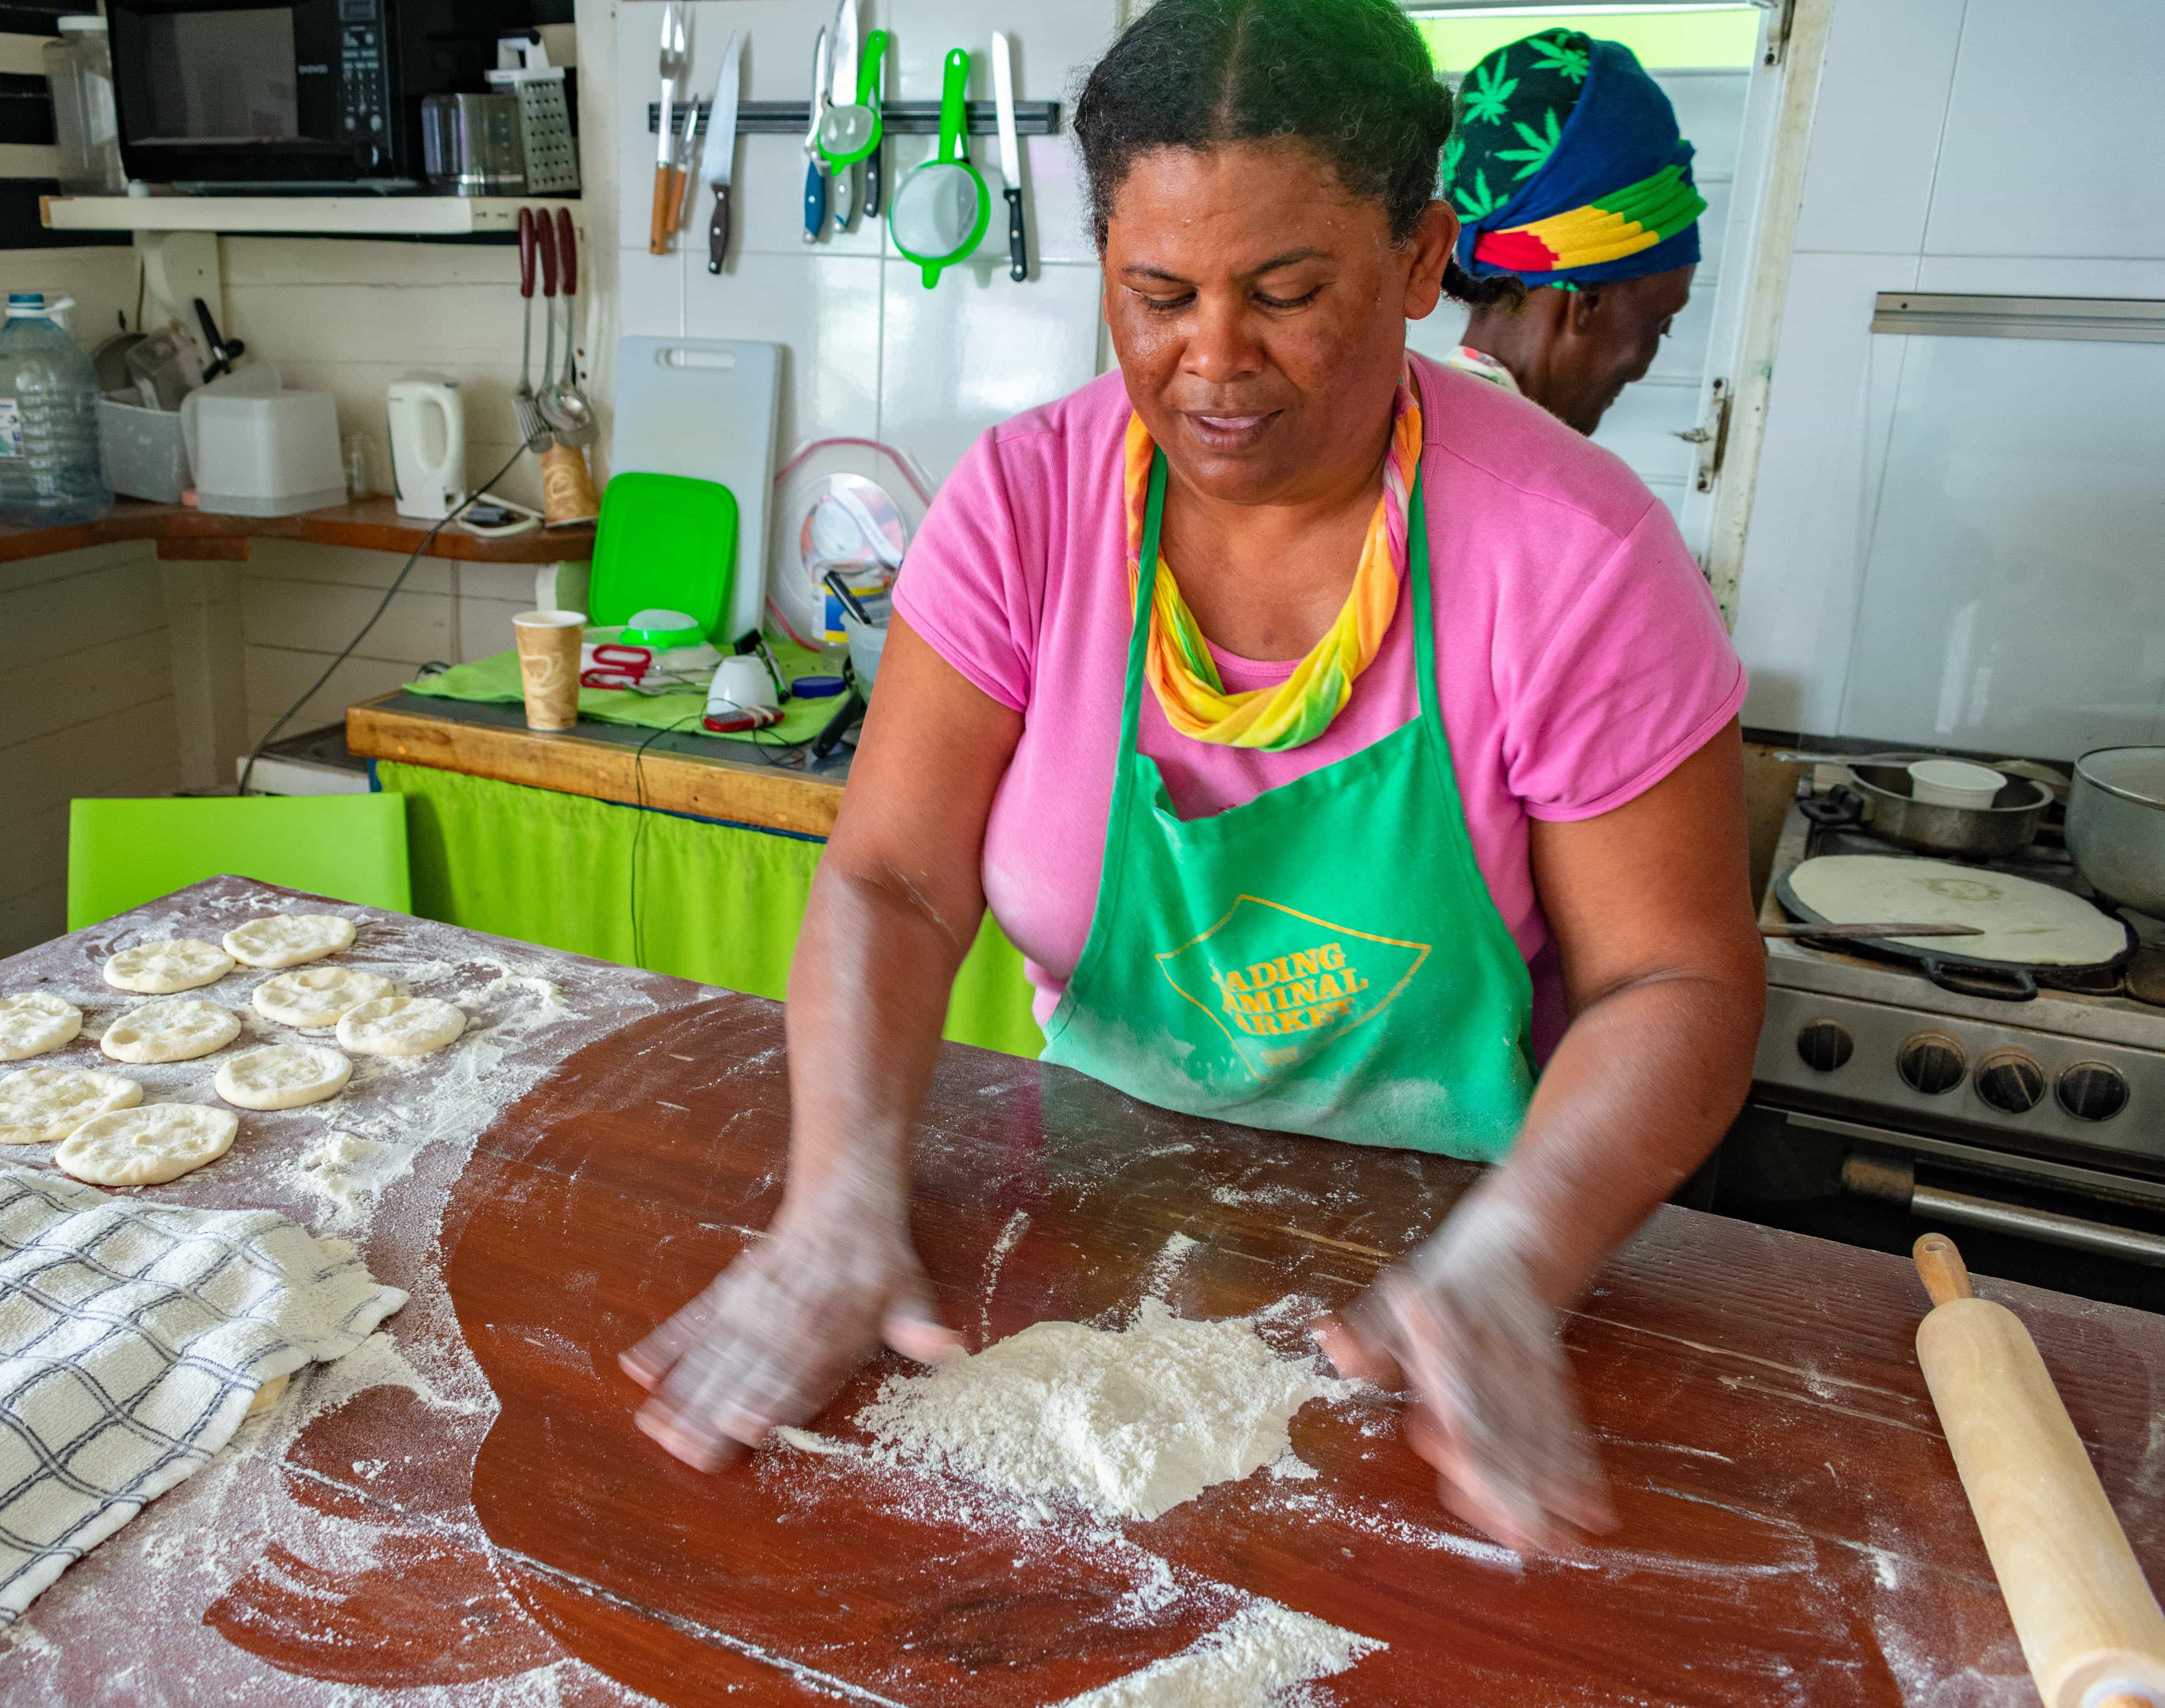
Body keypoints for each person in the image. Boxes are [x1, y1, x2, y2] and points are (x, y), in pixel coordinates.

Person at [621, 0, 1762, 1553]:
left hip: (1461, 1268)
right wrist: (832, 1199)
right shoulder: (1023, 508)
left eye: (1286, 293)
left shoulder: (1572, 559)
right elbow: (891, 879)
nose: (1210, 363)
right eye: (1154, 294)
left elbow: (1676, 979)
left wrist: (1517, 1258)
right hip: (1076, 1215)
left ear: (1424, 262)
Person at [1438, 29, 1704, 434]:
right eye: (1660, 322)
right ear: (1588, 303)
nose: (1643, 367)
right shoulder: (1553, 487)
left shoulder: (1398, 435)